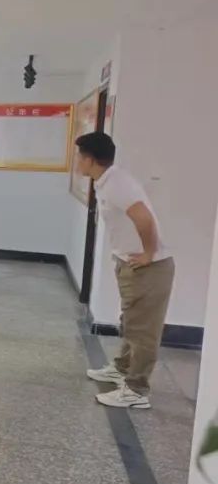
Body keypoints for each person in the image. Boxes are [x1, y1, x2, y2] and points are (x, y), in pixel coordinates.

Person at [79, 133, 175, 409]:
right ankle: (122, 369)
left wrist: (148, 253)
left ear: (90, 159)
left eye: (80, 157)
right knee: (131, 321)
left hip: (150, 268)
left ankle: (136, 390)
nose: (77, 163)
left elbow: (143, 218)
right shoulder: (107, 181)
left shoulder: (117, 184)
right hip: (131, 264)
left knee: (143, 330)